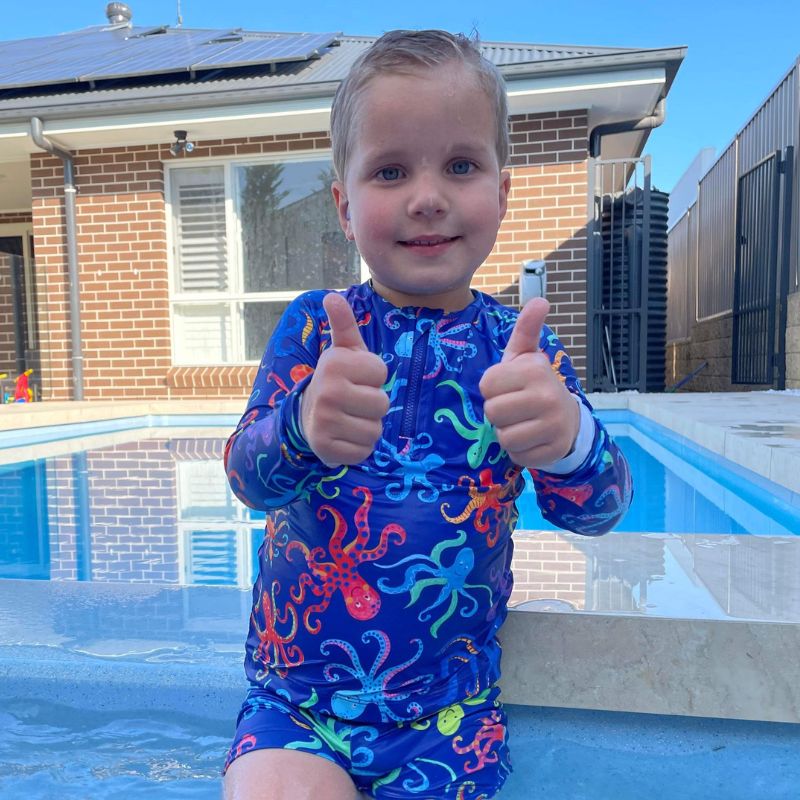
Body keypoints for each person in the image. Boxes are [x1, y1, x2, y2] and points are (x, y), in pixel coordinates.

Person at [222, 29, 632, 800]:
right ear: (344, 206)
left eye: (461, 165)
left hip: (450, 721)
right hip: (296, 706)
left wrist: (571, 441)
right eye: (390, 170)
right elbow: (248, 477)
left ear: (502, 194)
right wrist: (303, 427)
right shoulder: (317, 328)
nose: (427, 195)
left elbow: (599, 512)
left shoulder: (522, 356)